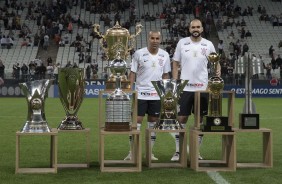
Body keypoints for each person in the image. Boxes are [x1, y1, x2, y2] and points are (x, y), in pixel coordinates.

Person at [171, 19, 221, 161]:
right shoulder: (182, 43)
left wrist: (217, 75)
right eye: (193, 26)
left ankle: (196, 151)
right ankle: (178, 151)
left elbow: (216, 62)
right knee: (181, 118)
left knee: (200, 120)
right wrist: (175, 83)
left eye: (198, 26)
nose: (195, 29)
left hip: (203, 89)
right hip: (185, 88)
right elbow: (175, 64)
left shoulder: (208, 44)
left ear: (202, 29)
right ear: (189, 28)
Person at [124, 31, 171, 161]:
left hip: (156, 96)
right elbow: (132, 73)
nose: (155, 40)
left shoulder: (165, 55)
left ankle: (150, 153)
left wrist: (166, 93)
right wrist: (130, 90)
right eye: (152, 38)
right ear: (148, 39)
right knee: (136, 123)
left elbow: (166, 75)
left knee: (153, 123)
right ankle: (132, 152)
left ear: (160, 40)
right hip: (140, 94)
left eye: (157, 38)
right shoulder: (139, 53)